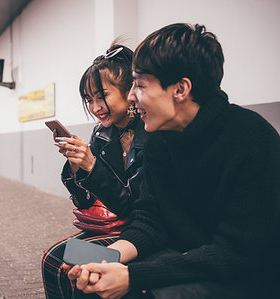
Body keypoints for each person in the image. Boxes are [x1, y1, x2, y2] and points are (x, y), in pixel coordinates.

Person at [68, 23, 280, 299]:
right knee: (94, 283)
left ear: (181, 89)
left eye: (140, 85)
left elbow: (235, 253)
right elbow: (149, 220)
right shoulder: (162, 138)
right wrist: (109, 258)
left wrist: (133, 277)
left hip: (247, 275)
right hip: (185, 256)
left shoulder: (252, 139)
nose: (132, 96)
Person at [41, 43, 149, 298]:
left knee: (71, 265)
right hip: (115, 225)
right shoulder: (102, 134)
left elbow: (135, 209)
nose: (94, 106)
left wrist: (93, 167)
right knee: (54, 261)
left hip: (138, 231)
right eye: (89, 99)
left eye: (102, 96)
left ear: (129, 92)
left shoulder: (151, 131)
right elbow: (87, 202)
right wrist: (77, 167)